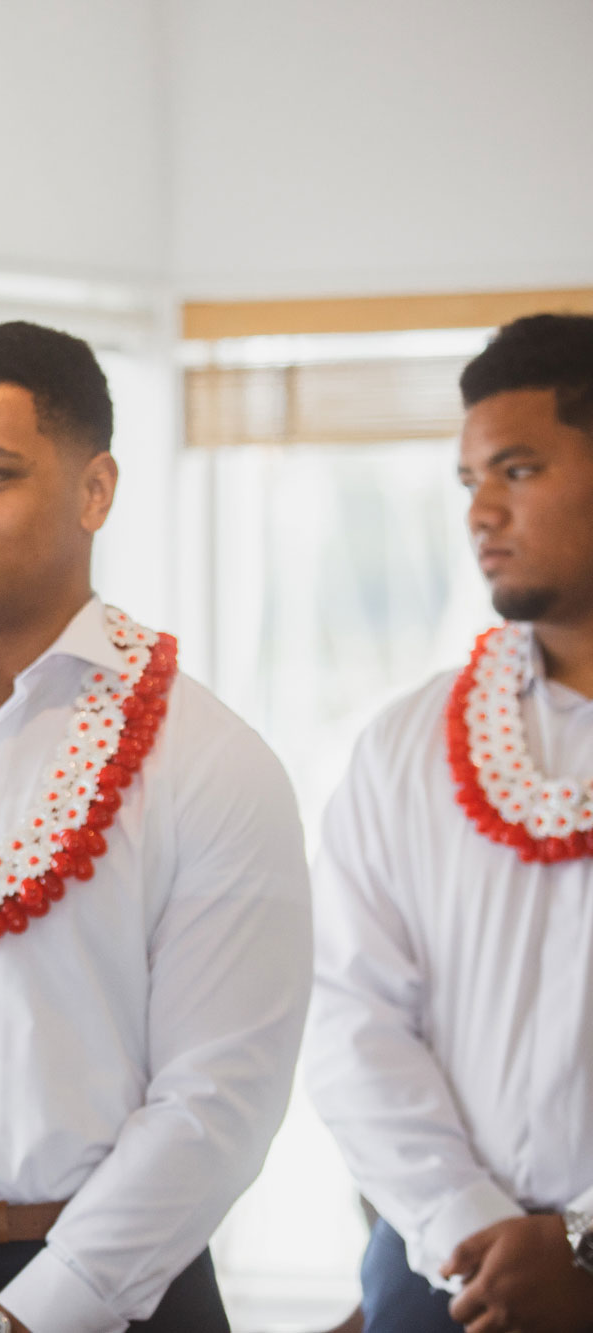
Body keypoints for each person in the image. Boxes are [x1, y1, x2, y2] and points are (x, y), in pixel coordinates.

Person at [0, 322, 312, 1333]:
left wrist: (29, 1316)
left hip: (115, 1289)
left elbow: (217, 1099)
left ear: (94, 490)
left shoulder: (209, 757)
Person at [303, 313, 593, 1333]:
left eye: (515, 469)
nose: (479, 510)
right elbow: (348, 1016)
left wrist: (584, 1249)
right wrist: (468, 1225)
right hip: (440, 1271)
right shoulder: (402, 744)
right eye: (466, 480)